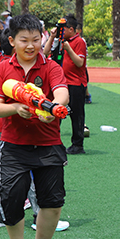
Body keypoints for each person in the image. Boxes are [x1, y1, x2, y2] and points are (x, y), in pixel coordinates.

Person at [0, 13, 69, 239]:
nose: (31, 45)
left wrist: (57, 104)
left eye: (36, 39)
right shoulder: (1, 68)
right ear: (12, 40)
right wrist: (16, 109)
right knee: (11, 199)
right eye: (24, 40)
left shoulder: (51, 67)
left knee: (53, 202)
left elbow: (61, 91)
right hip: (15, 145)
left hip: (49, 144)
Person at [43, 15, 87, 154]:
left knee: (76, 115)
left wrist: (68, 48)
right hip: (60, 84)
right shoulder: (60, 40)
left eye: (63, 28)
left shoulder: (78, 41)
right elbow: (45, 53)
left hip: (75, 83)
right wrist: (52, 37)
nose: (60, 31)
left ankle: (78, 145)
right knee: (56, 112)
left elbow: (80, 63)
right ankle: (53, 142)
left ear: (71, 29)